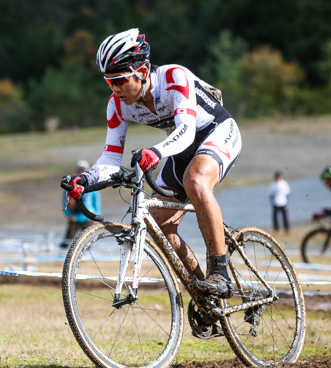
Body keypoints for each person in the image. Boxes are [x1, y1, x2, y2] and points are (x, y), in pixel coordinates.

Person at [62, 28, 242, 301]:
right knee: (160, 225)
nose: (116, 88)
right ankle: (206, 294)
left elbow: (187, 129)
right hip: (178, 144)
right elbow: (110, 158)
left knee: (195, 180)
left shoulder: (173, 77)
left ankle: (220, 273)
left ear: (143, 71)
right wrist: (86, 180)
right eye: (109, 82)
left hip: (215, 131)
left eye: (121, 80)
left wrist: (155, 153)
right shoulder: (117, 105)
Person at [61, 160, 101, 248]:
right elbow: (65, 201)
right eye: (80, 170)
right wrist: (69, 215)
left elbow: (96, 202)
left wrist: (95, 217)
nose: (82, 172)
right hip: (74, 217)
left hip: (88, 218)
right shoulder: (70, 185)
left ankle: (86, 259)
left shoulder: (93, 185)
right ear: (77, 171)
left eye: (84, 170)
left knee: (88, 243)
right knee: (67, 241)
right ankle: (61, 255)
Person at [268, 171, 291, 235]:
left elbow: (287, 193)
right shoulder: (273, 184)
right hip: (275, 203)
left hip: (283, 202)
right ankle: (276, 230)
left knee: (285, 217)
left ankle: (287, 229)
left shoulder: (284, 183)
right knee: (275, 218)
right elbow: (271, 194)